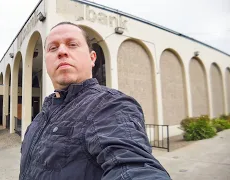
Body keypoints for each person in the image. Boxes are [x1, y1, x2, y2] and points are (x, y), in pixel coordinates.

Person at [19, 21, 170, 180]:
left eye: (72, 44)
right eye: (53, 48)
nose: (62, 51)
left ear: (92, 58)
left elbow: (134, 167)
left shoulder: (110, 105)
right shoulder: (40, 118)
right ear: (46, 62)